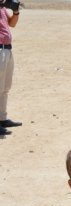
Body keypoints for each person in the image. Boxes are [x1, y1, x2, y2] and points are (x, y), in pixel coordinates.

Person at [0, 3, 21, 136]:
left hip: (7, 49)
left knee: (5, 87)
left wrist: (16, 11)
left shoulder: (1, 9)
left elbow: (12, 24)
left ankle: (2, 119)